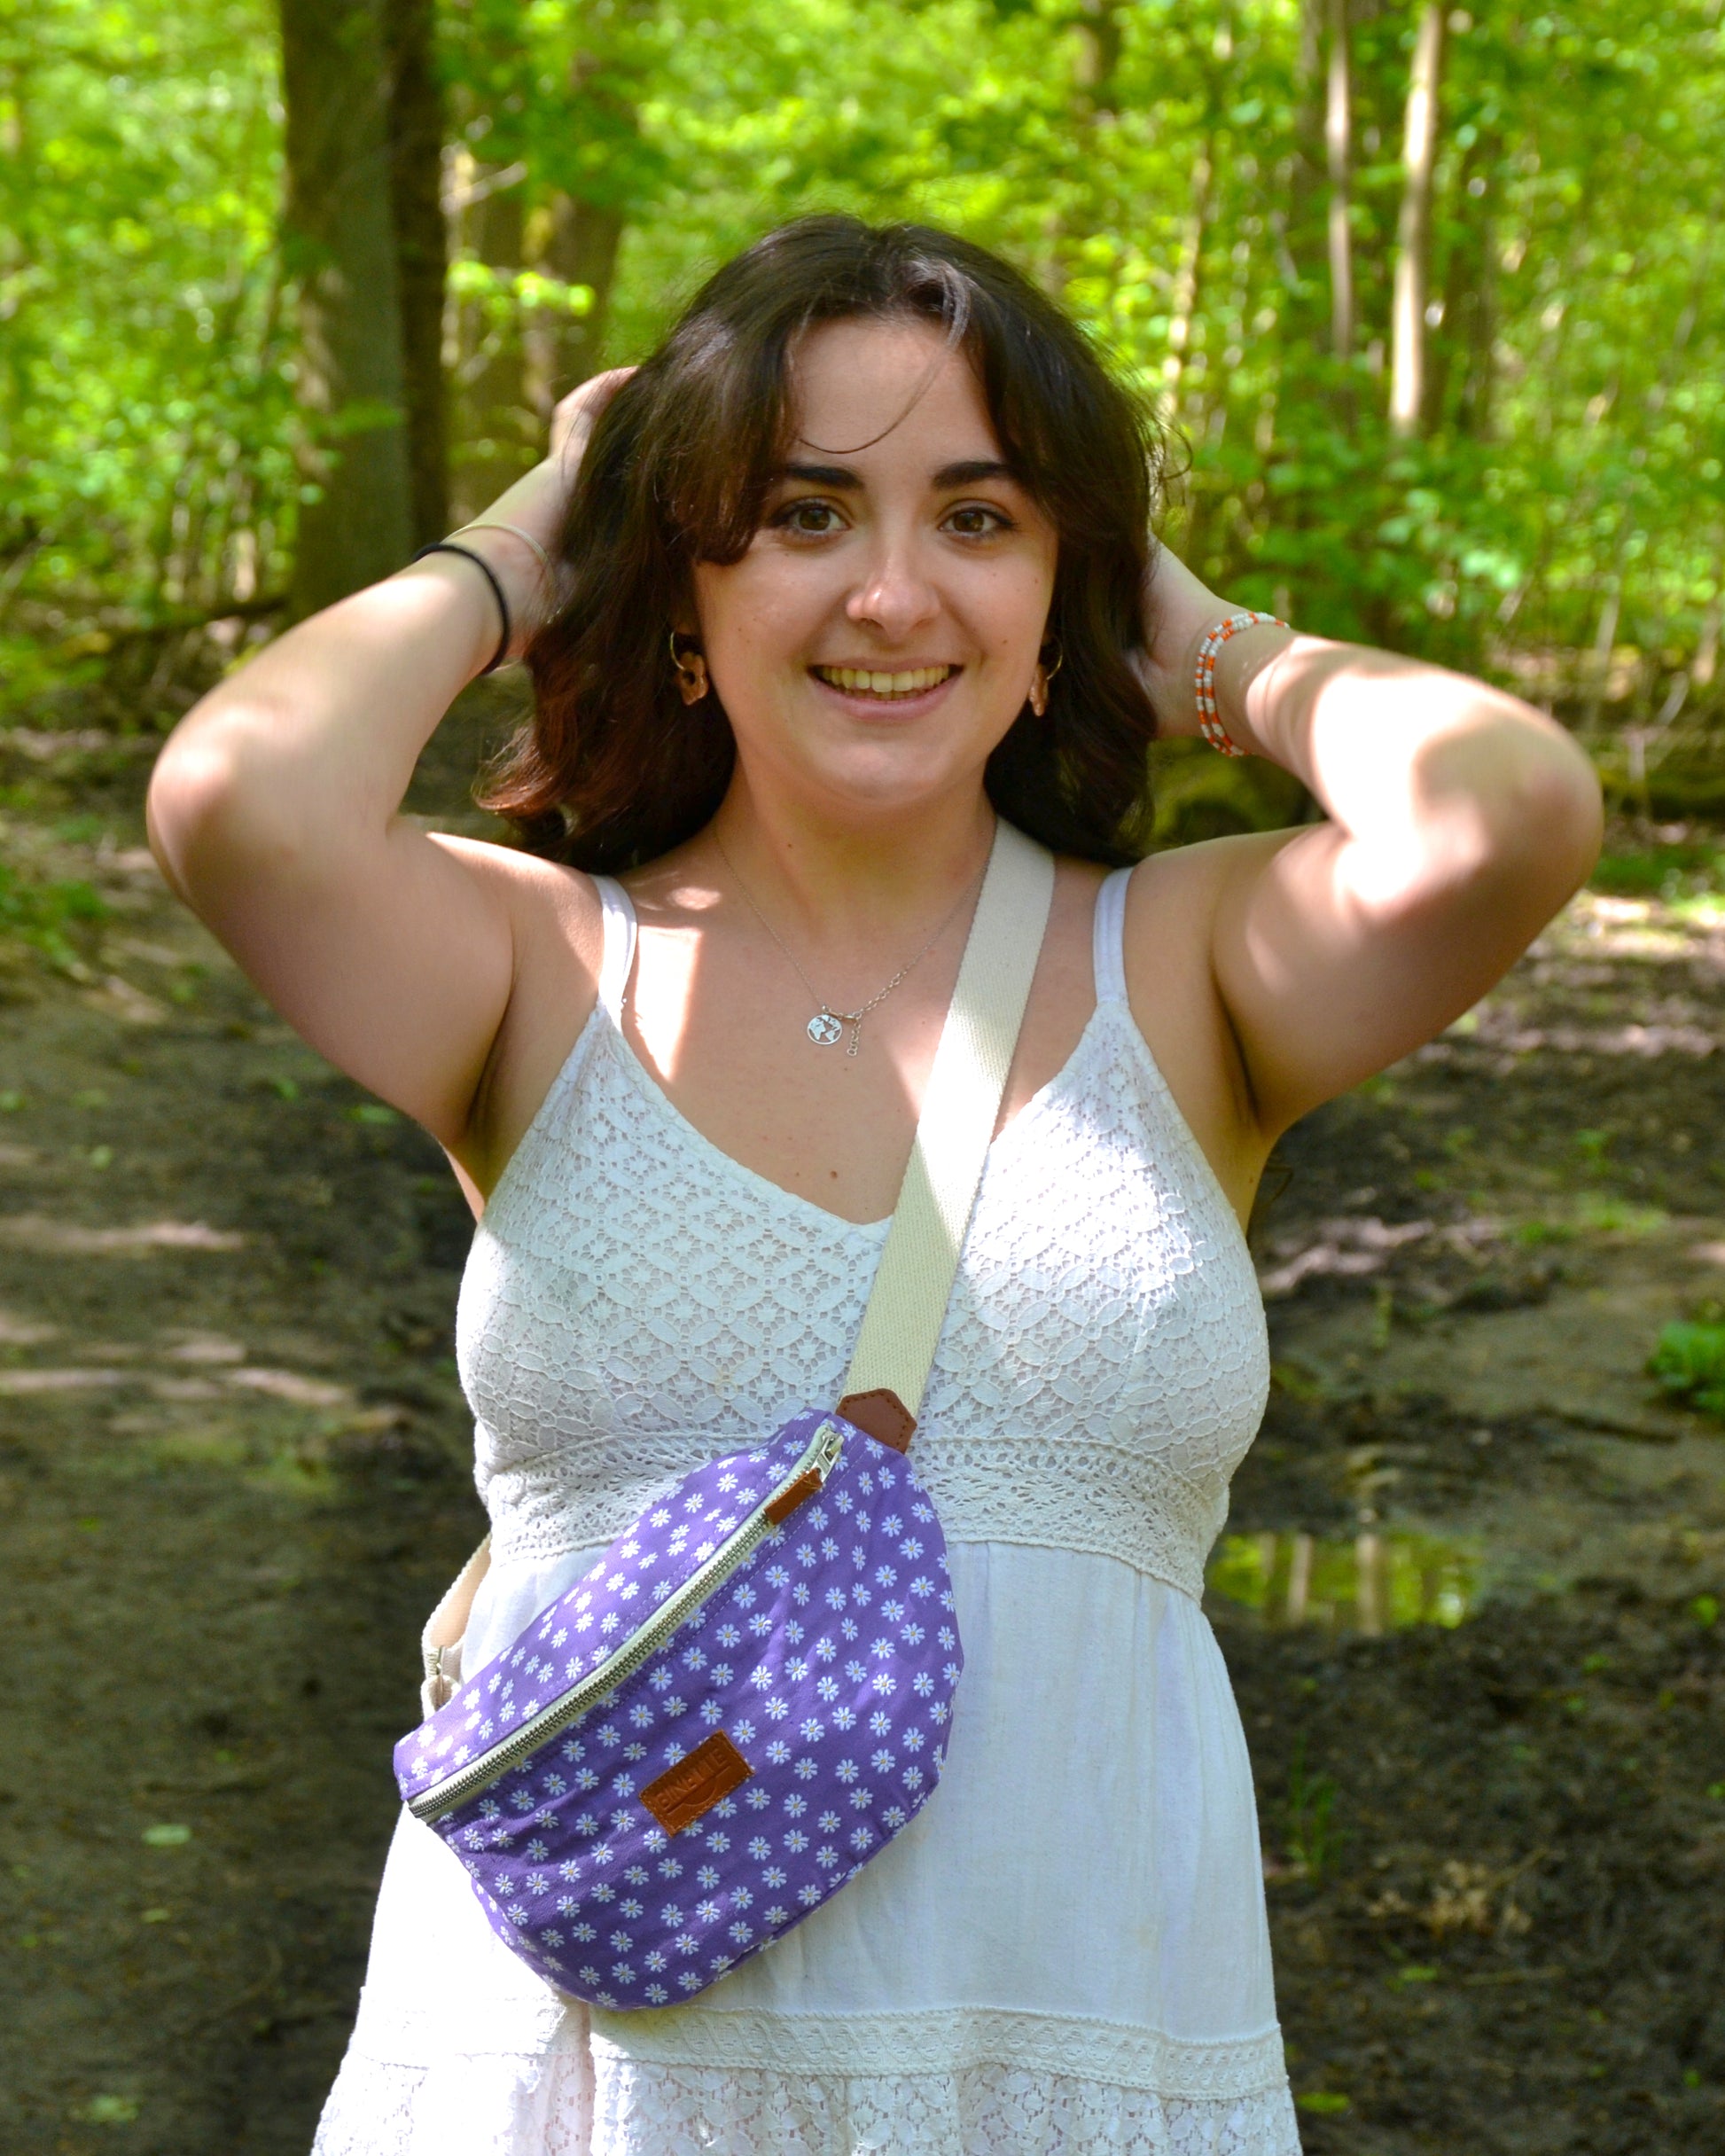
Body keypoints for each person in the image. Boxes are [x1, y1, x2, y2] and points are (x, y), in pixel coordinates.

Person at [146, 216, 1601, 2153]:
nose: (892, 593)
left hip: (1073, 2075)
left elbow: (1505, 811)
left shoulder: (1177, 967)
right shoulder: (537, 965)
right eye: (802, 513)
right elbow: (238, 797)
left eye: (981, 519)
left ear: (1061, 587)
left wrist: (1198, 636)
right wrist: (528, 539)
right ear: (681, 583)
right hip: (585, 2088)